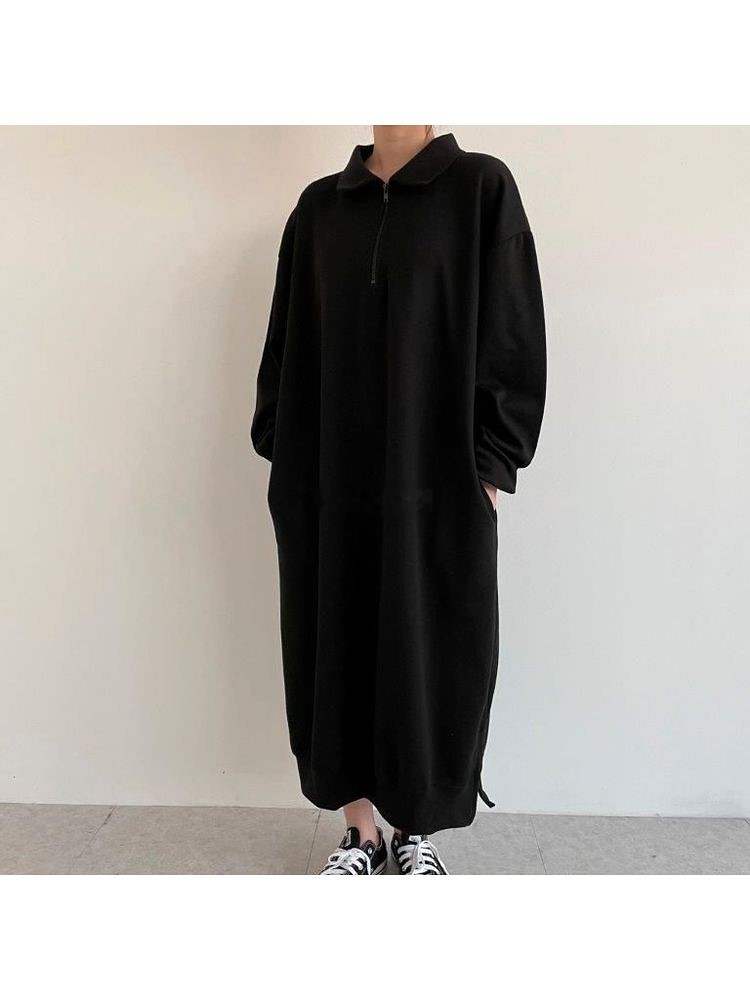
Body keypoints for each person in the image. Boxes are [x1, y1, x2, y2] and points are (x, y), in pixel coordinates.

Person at [251, 126, 546, 874]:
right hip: (328, 482)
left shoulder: (480, 189)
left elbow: (512, 335)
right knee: (334, 642)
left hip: (437, 481)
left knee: (433, 649)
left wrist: (491, 467)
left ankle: (417, 830)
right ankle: (361, 833)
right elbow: (284, 342)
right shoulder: (319, 209)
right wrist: (283, 451)